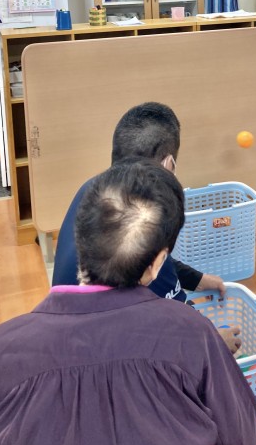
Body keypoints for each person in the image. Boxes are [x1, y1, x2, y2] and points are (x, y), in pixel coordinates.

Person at [0, 159, 256, 445]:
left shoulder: (1, 350)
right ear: (157, 264)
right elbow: (244, 439)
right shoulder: (193, 332)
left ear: (79, 241)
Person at [53, 102, 225, 302]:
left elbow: (151, 258)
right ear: (168, 164)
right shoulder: (149, 212)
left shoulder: (94, 190)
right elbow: (178, 313)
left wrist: (197, 280)